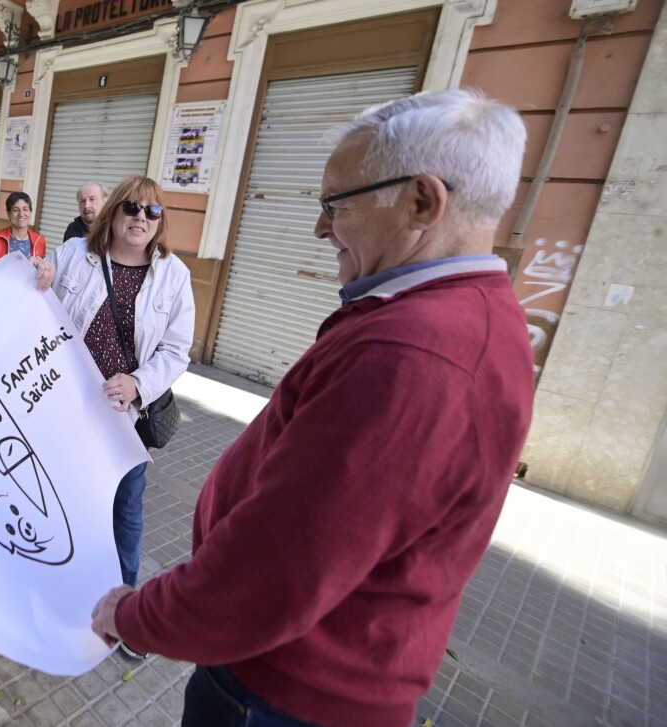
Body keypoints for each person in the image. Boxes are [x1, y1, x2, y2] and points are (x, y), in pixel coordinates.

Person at [90, 89, 535, 727]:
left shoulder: (416, 352)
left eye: (336, 204)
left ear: (422, 202)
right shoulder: (460, 317)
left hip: (278, 695)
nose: (321, 228)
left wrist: (136, 616)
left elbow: (279, 565)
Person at [49, 175, 195, 657]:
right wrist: (36, 275)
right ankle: (63, 594)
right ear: (113, 212)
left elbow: (176, 350)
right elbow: (33, 300)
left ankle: (126, 613)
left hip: (123, 420)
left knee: (124, 510)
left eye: (152, 211)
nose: (141, 218)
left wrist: (138, 385)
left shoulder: (173, 275)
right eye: (131, 207)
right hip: (64, 413)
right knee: (63, 502)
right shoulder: (74, 255)